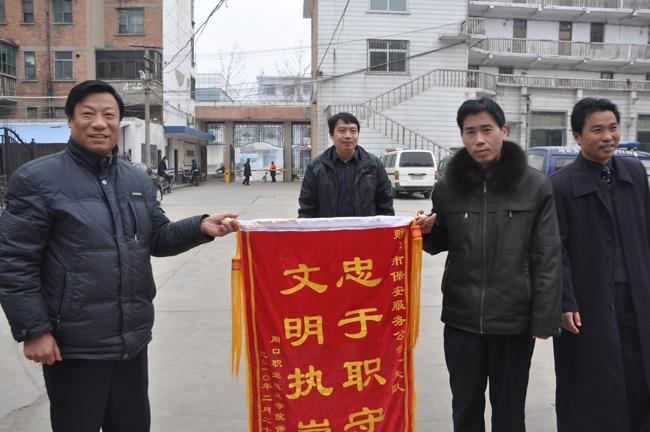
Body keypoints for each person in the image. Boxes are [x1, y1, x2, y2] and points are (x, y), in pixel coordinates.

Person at [0, 80, 240, 432]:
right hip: (74, 346)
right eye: (88, 114)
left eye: (109, 115)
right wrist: (34, 330)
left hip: (132, 340)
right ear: (70, 120)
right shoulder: (37, 179)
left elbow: (157, 237)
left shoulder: (136, 179)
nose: (99, 123)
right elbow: (14, 260)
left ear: (118, 122)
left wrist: (200, 226)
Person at [417, 98, 562, 431]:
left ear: (504, 130)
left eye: (486, 130)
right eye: (470, 132)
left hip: (513, 321)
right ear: (462, 136)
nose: (479, 139)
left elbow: (547, 254)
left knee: (509, 410)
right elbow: (442, 241)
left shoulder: (536, 186)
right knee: (465, 406)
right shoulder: (447, 188)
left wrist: (545, 317)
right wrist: (427, 232)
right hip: (461, 318)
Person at [552, 98, 650, 432]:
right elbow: (556, 250)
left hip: (636, 299)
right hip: (589, 303)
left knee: (638, 375)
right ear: (577, 136)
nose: (608, 137)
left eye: (613, 128)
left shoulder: (634, 174)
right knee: (593, 382)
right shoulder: (561, 185)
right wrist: (565, 300)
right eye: (597, 130)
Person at [298, 112, 394, 217]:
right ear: (331, 135)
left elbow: (385, 204)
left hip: (364, 227)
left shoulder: (373, 165)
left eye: (353, 131)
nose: (348, 136)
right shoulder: (316, 167)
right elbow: (307, 207)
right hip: (329, 227)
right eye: (342, 130)